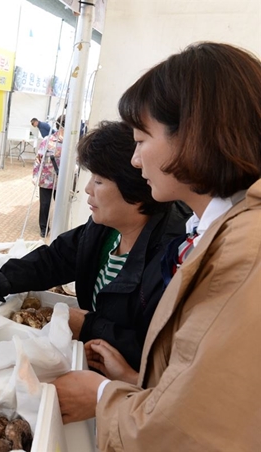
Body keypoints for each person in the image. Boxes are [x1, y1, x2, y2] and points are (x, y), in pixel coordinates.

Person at [52, 42, 261, 450]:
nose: (134, 160)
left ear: (193, 137)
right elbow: (204, 380)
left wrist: (100, 396)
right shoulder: (218, 231)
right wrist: (138, 380)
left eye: (141, 139)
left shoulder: (244, 254)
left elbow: (194, 430)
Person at [0, 121, 188, 372]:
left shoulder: (172, 259)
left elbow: (160, 350)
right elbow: (55, 259)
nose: (87, 189)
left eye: (98, 181)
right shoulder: (104, 228)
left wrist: (88, 326)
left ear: (135, 186)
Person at [33, 115, 64, 237]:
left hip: (62, 180)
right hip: (46, 179)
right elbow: (39, 158)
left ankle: (60, 227)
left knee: (62, 205)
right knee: (45, 204)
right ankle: (44, 227)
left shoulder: (72, 143)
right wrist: (35, 175)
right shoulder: (48, 140)